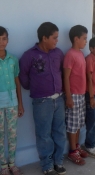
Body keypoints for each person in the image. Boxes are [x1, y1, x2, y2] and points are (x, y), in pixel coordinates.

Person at [19, 22, 66, 175]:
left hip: (59, 99)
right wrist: (33, 87)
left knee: (59, 132)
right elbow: (23, 76)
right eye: (54, 38)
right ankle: (47, 166)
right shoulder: (29, 55)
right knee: (44, 134)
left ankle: (58, 162)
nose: (57, 41)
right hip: (42, 102)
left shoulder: (58, 53)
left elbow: (62, 72)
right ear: (44, 38)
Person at [0, 26, 24, 175]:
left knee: (13, 135)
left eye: (4, 39)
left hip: (13, 103)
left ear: (7, 40)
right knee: (0, 136)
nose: (1, 42)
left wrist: (20, 104)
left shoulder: (13, 59)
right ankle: (3, 166)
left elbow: (17, 83)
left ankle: (12, 163)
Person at [63, 25, 88, 165]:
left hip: (81, 94)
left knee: (78, 123)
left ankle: (77, 147)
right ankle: (72, 151)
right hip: (73, 95)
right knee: (72, 125)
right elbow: (66, 77)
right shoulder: (70, 55)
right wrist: (68, 97)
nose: (86, 41)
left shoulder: (80, 54)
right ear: (76, 38)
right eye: (84, 38)